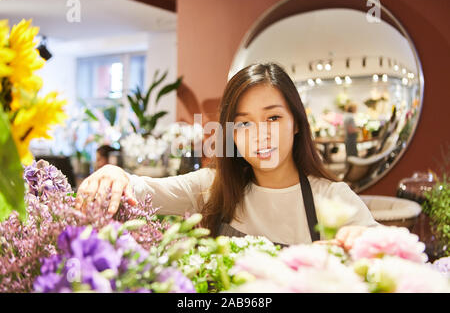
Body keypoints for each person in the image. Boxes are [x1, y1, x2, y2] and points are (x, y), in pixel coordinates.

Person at [75, 63, 379, 250]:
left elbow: (392, 257)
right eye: (244, 123)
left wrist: (362, 241)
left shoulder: (333, 198)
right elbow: (147, 191)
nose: (260, 134)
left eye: (273, 118)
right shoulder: (213, 186)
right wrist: (117, 176)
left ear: (296, 123)